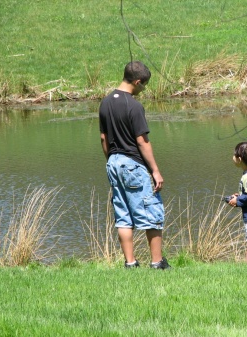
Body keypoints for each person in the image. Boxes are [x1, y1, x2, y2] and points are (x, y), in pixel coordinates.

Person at [99, 61, 170, 269]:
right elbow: (142, 141)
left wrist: (111, 161)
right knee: (151, 210)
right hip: (132, 163)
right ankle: (157, 262)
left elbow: (104, 138)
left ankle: (130, 263)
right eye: (144, 85)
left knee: (123, 215)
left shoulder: (105, 102)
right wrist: (155, 171)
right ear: (137, 82)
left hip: (113, 161)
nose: (143, 89)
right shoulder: (134, 106)